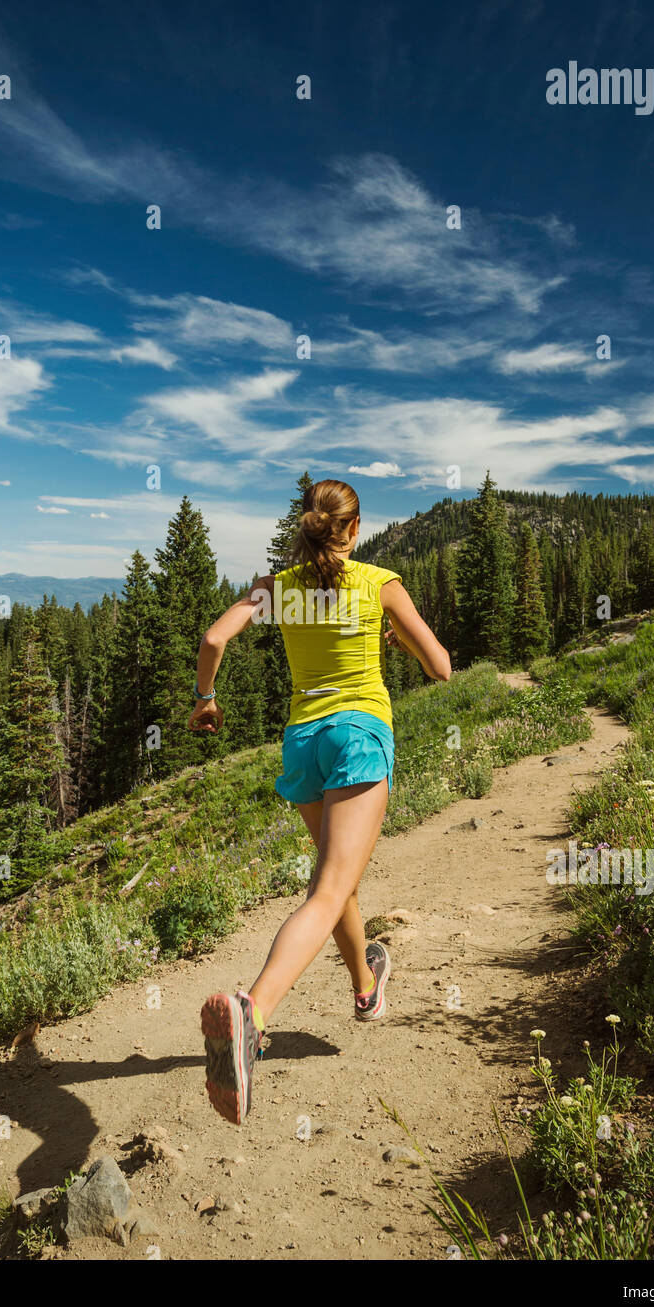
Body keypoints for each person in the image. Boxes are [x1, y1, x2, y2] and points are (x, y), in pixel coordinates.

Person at [187, 479, 452, 1124]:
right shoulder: (380, 583)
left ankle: (366, 987)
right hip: (358, 734)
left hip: (302, 743)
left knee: (339, 877)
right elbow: (442, 667)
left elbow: (215, 639)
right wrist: (399, 643)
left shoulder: (276, 588)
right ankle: (252, 1016)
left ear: (306, 531)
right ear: (354, 530)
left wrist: (205, 699)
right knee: (330, 889)